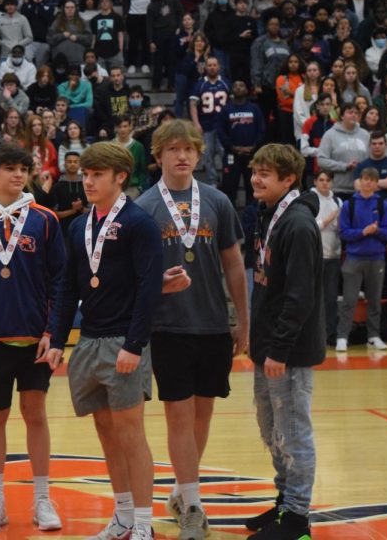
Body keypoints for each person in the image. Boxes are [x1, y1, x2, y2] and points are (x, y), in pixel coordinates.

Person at [46, 141, 168, 540]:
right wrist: (58, 339)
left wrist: (134, 344)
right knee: (105, 431)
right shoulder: (79, 226)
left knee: (131, 433)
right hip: (89, 341)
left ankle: (145, 525)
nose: (88, 181)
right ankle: (124, 515)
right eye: (85, 174)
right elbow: (67, 287)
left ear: (120, 177)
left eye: (97, 174)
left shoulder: (139, 223)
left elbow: (150, 288)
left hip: (123, 341)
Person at [136, 118, 249, 540]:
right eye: (173, 149)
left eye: (189, 149)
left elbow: (235, 266)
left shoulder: (218, 201)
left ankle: (185, 491)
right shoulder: (144, 206)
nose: (182, 156)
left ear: (199, 155)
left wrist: (243, 322)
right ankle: (194, 505)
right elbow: (136, 274)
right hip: (168, 326)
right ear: (159, 155)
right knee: (179, 417)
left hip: (214, 324)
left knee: (202, 416)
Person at [0, 143, 65, 533]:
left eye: (23, 169)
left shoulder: (46, 219)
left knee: (35, 414)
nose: (18, 175)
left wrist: (53, 332)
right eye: (9, 169)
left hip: (35, 337)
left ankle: (41, 498)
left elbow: (59, 281)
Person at [247, 143, 325, 540]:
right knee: (272, 429)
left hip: (288, 351)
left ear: (289, 179)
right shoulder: (268, 214)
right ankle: (284, 501)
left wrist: (278, 347)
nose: (256, 179)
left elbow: (299, 295)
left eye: (265, 173)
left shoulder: (297, 224)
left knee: (293, 430)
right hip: (267, 345)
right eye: (255, 171)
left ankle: (297, 518)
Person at [336, 167, 387, 352]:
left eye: (372, 180)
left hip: (377, 258)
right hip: (354, 258)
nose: (368, 182)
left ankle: (374, 336)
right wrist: (363, 232)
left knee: (374, 300)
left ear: (377, 184)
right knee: (349, 300)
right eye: (365, 179)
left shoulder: (383, 204)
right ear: (359, 181)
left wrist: (376, 231)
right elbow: (343, 233)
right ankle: (342, 337)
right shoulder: (349, 205)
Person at [218, 80, 266, 206]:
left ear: (246, 90)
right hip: (231, 155)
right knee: (229, 188)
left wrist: (254, 147)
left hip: (252, 156)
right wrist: (232, 147)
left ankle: (252, 219)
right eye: (235, 86)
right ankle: (228, 218)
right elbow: (220, 131)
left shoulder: (254, 109)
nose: (238, 88)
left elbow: (261, 130)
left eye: (241, 85)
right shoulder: (226, 109)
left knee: (253, 188)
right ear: (232, 90)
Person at [311, 170, 342, 344]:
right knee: (315, 297)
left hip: (334, 256)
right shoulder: (309, 199)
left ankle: (331, 333)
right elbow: (309, 226)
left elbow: (342, 226)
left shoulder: (338, 201)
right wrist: (327, 221)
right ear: (315, 181)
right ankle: (315, 333)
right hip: (316, 256)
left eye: (328, 180)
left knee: (331, 298)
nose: (324, 183)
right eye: (321, 180)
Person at [189, 56, 230, 186]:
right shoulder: (200, 83)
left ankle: (226, 178)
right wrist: (196, 123)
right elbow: (193, 104)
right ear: (205, 67)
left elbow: (232, 103)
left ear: (219, 67)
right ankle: (213, 180)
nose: (212, 67)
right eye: (209, 65)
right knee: (207, 155)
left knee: (225, 153)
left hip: (224, 127)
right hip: (207, 125)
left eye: (214, 65)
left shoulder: (226, 82)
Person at [317, 102, 370, 199]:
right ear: (342, 116)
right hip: (337, 189)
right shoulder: (330, 135)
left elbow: (371, 159)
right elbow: (321, 160)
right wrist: (344, 166)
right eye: (350, 112)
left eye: (356, 113)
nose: (353, 115)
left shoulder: (365, 135)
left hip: (362, 190)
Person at [353, 131, 387, 197]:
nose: (377, 146)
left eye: (380, 143)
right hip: (367, 204)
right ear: (370, 145)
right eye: (374, 144)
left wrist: (367, 184)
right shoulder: (361, 166)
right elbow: (358, 187)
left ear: (386, 145)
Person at [51, 150, 87, 237]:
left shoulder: (87, 184)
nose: (72, 164)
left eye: (75, 162)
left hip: (85, 227)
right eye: (69, 162)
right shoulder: (56, 186)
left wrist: (81, 208)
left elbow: (94, 211)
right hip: (62, 229)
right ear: (64, 164)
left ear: (80, 165)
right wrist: (73, 210)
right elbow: (54, 213)